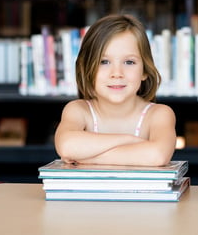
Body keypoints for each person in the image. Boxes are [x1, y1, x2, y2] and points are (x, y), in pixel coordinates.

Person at [55, 14, 177, 166]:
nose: (117, 73)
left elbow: (157, 156)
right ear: (87, 69)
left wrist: (86, 157)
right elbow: (67, 146)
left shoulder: (159, 114)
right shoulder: (78, 110)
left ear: (145, 70)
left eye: (129, 62)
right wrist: (128, 140)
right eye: (104, 62)